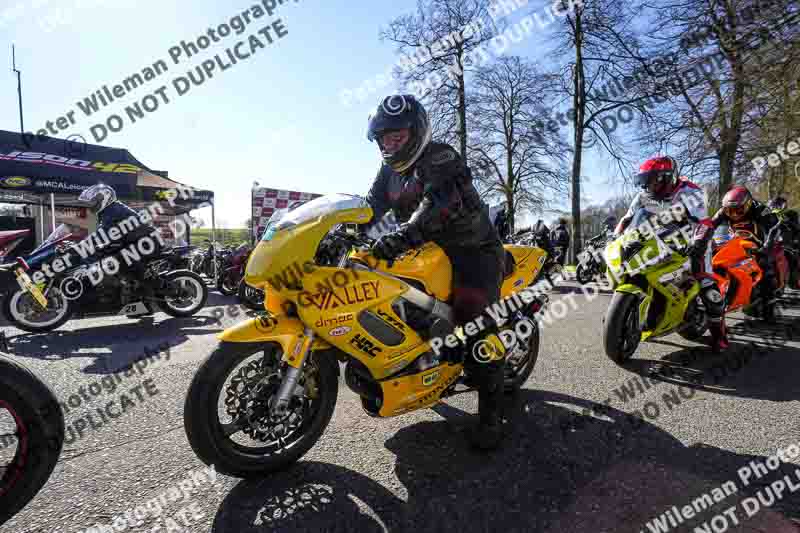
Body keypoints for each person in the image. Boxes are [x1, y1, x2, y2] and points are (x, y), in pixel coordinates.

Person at [362, 94, 508, 450]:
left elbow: (437, 205)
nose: (390, 144)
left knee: (473, 323)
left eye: (397, 137)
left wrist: (398, 238)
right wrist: (342, 232)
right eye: (385, 139)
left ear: (416, 133)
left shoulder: (441, 157)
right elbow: (370, 208)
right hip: (425, 252)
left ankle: (492, 414)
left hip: (471, 252)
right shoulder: (389, 172)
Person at [616, 156, 729, 352]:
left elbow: (704, 222)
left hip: (693, 240)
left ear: (666, 178)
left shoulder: (690, 192)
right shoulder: (645, 195)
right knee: (634, 268)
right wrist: (616, 237)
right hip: (660, 238)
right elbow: (627, 218)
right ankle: (637, 316)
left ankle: (720, 336)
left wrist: (698, 244)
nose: (647, 186)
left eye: (651, 180)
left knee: (708, 288)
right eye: (645, 181)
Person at [701, 186, 781, 321]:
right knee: (715, 259)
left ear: (748, 204)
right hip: (736, 241)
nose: (734, 214)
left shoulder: (761, 210)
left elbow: (774, 228)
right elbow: (710, 225)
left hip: (761, 243)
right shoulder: (724, 211)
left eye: (738, 210)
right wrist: (700, 239)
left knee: (766, 266)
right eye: (729, 211)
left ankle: (770, 305)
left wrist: (767, 247)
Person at [74, 184, 163, 297]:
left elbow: (104, 233)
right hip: (137, 242)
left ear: (105, 197)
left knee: (123, 258)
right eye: (91, 202)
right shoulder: (107, 212)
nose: (92, 204)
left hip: (149, 242)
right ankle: (138, 294)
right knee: (110, 257)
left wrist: (82, 245)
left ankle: (157, 283)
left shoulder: (114, 210)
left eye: (95, 200)